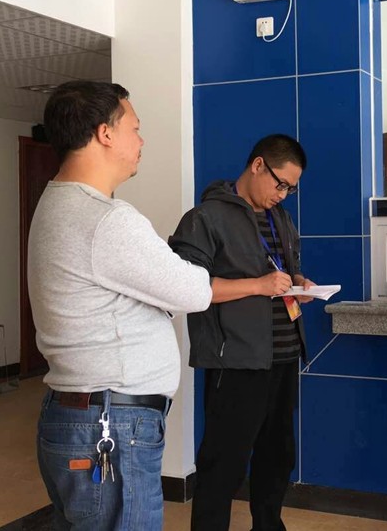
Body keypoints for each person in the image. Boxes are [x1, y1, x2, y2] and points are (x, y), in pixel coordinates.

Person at [27, 81, 214, 530]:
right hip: (109, 425)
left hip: (86, 416)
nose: (141, 141)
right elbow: (194, 291)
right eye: (135, 128)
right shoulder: (107, 219)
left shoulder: (55, 203)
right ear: (105, 133)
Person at [169, 134, 315, 531]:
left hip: (282, 356)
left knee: (277, 457)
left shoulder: (280, 219)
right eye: (280, 184)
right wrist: (258, 285)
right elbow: (187, 288)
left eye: (291, 189)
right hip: (235, 361)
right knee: (224, 463)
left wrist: (298, 284)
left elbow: (280, 274)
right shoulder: (205, 218)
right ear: (257, 165)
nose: (282, 195)